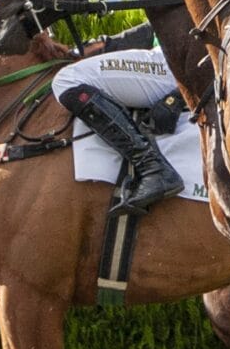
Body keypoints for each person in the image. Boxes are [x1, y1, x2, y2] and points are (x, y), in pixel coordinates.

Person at [49, 22, 183, 214]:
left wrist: (176, 97)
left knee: (67, 79)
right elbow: (152, 27)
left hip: (178, 62)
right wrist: (82, 51)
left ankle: (152, 167)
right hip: (171, 52)